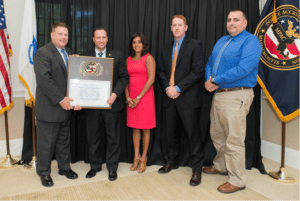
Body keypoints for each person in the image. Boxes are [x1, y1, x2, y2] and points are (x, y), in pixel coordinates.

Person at [204, 9, 262, 193]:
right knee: (218, 134)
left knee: (234, 139)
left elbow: (243, 68)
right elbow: (209, 63)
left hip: (237, 94)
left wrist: (215, 80)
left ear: (244, 23)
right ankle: (221, 166)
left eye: (236, 20)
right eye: (229, 20)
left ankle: (237, 179)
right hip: (219, 93)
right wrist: (209, 80)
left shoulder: (251, 41)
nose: (231, 23)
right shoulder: (222, 40)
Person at [157, 15, 205, 186]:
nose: (176, 28)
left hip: (188, 98)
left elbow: (197, 72)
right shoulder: (165, 48)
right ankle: (172, 161)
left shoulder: (195, 45)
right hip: (169, 97)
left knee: (193, 135)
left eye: (180, 25)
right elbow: (161, 72)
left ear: (185, 27)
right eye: (174, 25)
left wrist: (177, 88)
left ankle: (197, 170)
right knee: (171, 133)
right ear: (171, 28)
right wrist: (168, 88)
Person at [33, 22, 80, 187]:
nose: (63, 37)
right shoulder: (42, 53)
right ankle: (44, 173)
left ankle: (64, 167)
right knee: (46, 144)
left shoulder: (69, 53)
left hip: (66, 108)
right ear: (52, 35)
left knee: (63, 141)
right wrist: (62, 100)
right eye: (60, 34)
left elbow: (73, 80)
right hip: (51, 107)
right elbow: (45, 81)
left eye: (66, 34)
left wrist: (77, 100)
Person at [81, 28, 128, 181]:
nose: (101, 40)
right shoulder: (85, 56)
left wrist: (115, 94)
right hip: (92, 105)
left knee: (112, 137)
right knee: (93, 137)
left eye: (103, 37)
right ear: (93, 39)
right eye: (98, 37)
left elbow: (123, 78)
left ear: (107, 39)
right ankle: (95, 166)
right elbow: (80, 80)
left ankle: (112, 168)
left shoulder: (117, 55)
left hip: (111, 104)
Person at [125, 33, 156, 173]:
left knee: (145, 128)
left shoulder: (148, 58)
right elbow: (125, 80)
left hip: (144, 97)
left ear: (143, 44)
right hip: (131, 99)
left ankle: (144, 158)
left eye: (139, 42)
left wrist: (138, 97)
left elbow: (151, 80)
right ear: (131, 45)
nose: (137, 45)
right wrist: (128, 97)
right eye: (134, 42)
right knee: (134, 127)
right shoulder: (128, 59)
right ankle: (135, 157)